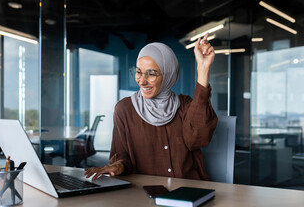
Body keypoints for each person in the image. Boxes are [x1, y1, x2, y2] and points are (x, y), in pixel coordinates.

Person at [85, 32, 218, 180]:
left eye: (151, 74)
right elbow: (121, 155)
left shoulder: (185, 105)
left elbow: (198, 140)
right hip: (145, 194)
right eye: (138, 72)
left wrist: (203, 69)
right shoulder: (125, 109)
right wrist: (119, 165)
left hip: (188, 190)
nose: (142, 81)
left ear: (168, 75)